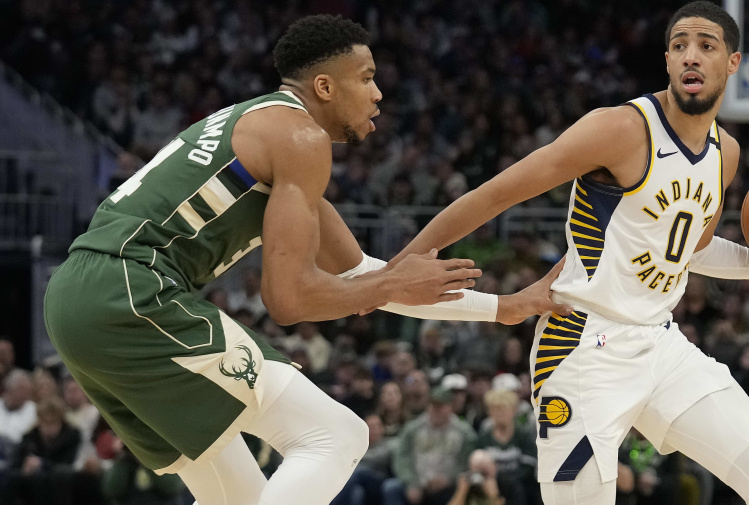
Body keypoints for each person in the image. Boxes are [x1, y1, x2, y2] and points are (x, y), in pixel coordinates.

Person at [42, 15, 567, 505]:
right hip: (130, 290)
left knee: (239, 495)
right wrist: (387, 286)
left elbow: (367, 278)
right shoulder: (300, 136)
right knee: (337, 435)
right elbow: (289, 301)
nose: (379, 94)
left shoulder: (263, 131)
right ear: (324, 87)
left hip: (75, 303)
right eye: (367, 78)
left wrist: (505, 307)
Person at [387, 3, 749, 504]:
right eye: (680, 46)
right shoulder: (618, 129)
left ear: (732, 62)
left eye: (707, 46)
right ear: (667, 60)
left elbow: (695, 251)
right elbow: (495, 195)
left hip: (661, 345)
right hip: (581, 348)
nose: (692, 56)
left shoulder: (724, 152)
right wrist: (398, 268)